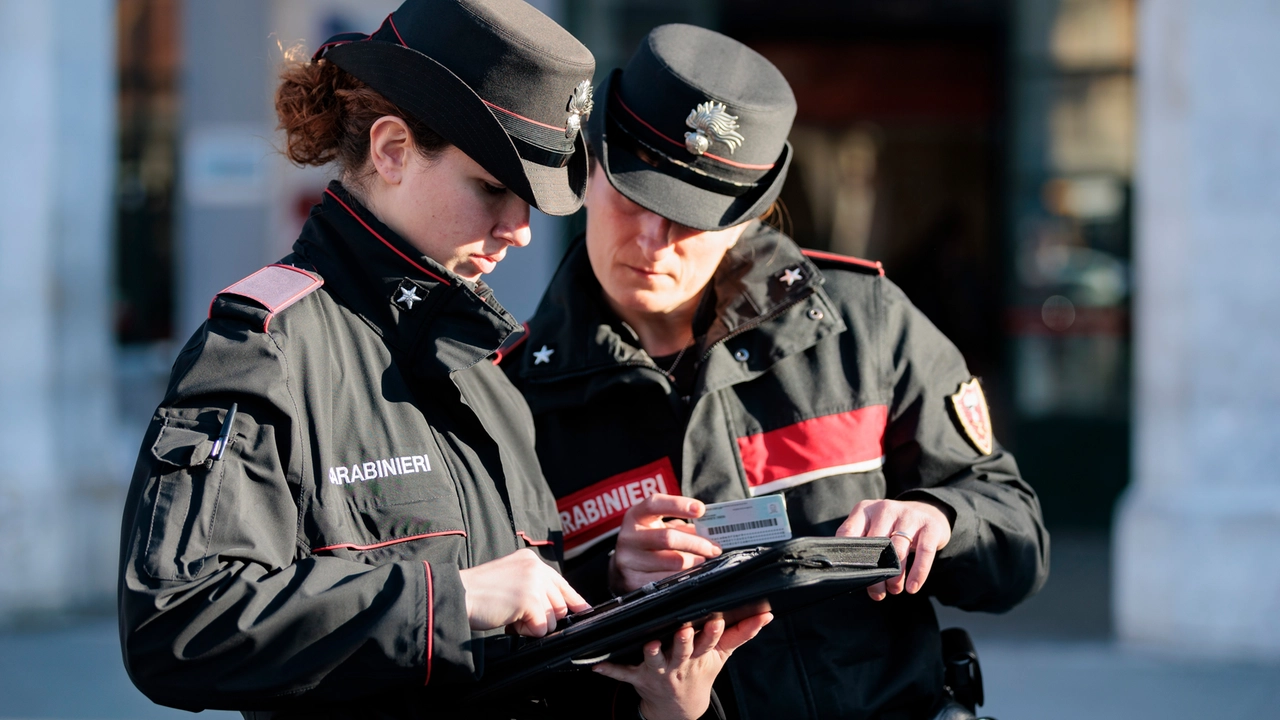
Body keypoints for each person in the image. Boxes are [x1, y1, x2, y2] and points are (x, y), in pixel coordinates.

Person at [117, 4, 766, 719]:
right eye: (494, 189)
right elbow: (175, 624)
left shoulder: (484, 368)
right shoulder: (263, 349)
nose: (520, 230)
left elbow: (508, 615)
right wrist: (453, 600)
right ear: (392, 150)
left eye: (531, 201)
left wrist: (613, 591)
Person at [502, 24, 1050, 719]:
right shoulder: (512, 395)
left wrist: (941, 518)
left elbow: (1018, 551)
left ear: (751, 215)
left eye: (688, 221)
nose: (650, 243)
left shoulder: (866, 324)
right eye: (632, 196)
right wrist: (604, 580)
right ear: (589, 166)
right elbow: (500, 651)